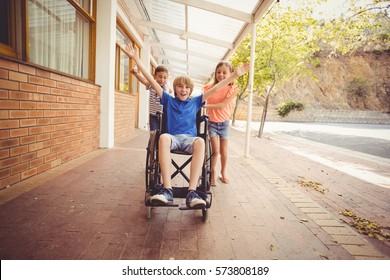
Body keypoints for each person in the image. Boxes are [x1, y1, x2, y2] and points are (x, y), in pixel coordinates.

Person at [125, 44, 249, 208]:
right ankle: (167, 189)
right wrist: (135, 57)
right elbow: (149, 78)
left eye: (187, 87)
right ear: (174, 88)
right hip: (173, 138)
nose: (183, 89)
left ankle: (192, 192)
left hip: (190, 140)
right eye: (180, 86)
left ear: (191, 90)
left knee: (200, 141)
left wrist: (234, 75)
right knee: (162, 137)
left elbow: (218, 86)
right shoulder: (167, 99)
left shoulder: (196, 101)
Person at [203, 61, 238, 186]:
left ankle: (223, 173)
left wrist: (205, 105)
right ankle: (212, 172)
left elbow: (223, 105)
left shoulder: (232, 89)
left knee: (224, 151)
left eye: (224, 72)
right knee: (215, 151)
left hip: (224, 124)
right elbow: (202, 98)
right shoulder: (209, 88)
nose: (221, 75)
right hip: (212, 123)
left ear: (230, 74)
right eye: (219, 72)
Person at [130, 65, 171, 132]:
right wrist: (136, 74)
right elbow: (143, 80)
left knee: (163, 132)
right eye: (160, 77)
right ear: (155, 76)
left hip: (164, 115)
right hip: (153, 114)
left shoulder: (166, 87)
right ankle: (152, 141)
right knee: (153, 132)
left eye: (165, 78)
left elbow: (166, 94)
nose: (162, 80)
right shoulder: (152, 85)